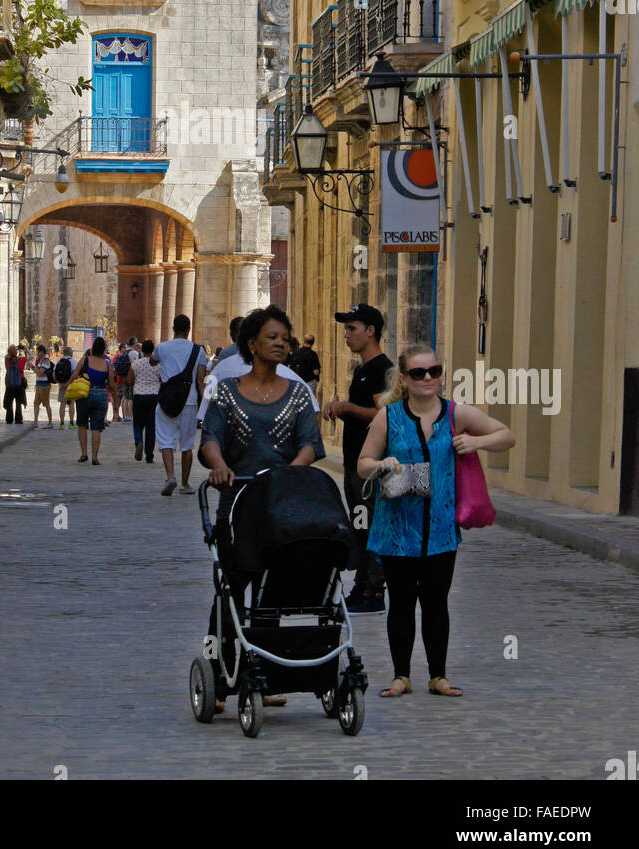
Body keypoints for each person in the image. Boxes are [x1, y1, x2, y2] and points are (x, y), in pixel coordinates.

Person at [358, 343, 515, 699]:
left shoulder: (455, 414)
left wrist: (477, 443)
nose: (428, 378)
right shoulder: (389, 416)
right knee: (399, 603)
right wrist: (383, 465)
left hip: (441, 528)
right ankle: (401, 675)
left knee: (436, 602)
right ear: (404, 378)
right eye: (418, 372)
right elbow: (363, 462)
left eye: (435, 371)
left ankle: (437, 675)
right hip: (397, 527)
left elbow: (507, 435)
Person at [200, 304, 325, 712]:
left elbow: (310, 443)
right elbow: (210, 439)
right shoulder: (226, 391)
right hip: (237, 505)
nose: (280, 343)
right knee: (230, 593)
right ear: (251, 344)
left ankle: (267, 674)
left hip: (283, 507)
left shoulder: (298, 394)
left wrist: (291, 472)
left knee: (271, 596)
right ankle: (220, 677)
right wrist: (219, 466)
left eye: (285, 339)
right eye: (272, 337)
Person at [323, 306, 393, 615]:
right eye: (346, 328)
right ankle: (361, 586)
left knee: (373, 525)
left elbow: (385, 415)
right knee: (360, 526)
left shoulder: (382, 370)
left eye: (352, 328)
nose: (347, 335)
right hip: (355, 463)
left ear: (371, 331)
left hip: (370, 465)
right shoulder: (363, 369)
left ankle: (375, 591)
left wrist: (348, 409)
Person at [152, 314, 207, 497]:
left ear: (173, 328)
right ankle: (185, 483)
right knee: (187, 445)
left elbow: (153, 360)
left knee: (166, 441)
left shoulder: (163, 348)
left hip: (167, 399)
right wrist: (204, 406)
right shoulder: (198, 351)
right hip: (189, 401)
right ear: (189, 329)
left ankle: (170, 477)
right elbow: (200, 379)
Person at [68, 337, 117, 465]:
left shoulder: (85, 360)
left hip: (85, 393)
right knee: (96, 427)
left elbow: (74, 375)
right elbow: (112, 385)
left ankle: (84, 454)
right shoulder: (107, 364)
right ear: (104, 351)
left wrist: (68, 389)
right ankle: (95, 457)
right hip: (101, 394)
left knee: (82, 424)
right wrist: (116, 402)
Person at [128, 339, 160, 462]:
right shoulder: (158, 364)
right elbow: (163, 378)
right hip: (153, 396)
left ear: (142, 350)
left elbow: (129, 381)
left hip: (139, 395)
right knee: (151, 426)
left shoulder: (136, 363)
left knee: (138, 423)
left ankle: (138, 441)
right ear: (153, 350)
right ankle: (149, 455)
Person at [2, 344, 27, 424]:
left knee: (9, 402)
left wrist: (12, 350)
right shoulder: (21, 360)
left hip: (10, 383)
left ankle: (9, 419)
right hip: (19, 383)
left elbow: (7, 355)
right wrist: (25, 349)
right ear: (16, 352)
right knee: (18, 402)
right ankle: (18, 419)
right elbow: (31, 357)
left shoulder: (7, 360)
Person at [32, 344, 55, 428]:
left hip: (44, 386)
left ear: (42, 352)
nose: (37, 353)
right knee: (36, 403)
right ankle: (35, 421)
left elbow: (40, 372)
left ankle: (50, 422)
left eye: (38, 352)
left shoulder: (46, 361)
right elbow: (38, 372)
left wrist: (31, 366)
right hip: (39, 385)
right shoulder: (41, 361)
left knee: (46, 404)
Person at [54, 345, 77, 428]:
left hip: (61, 385)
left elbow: (54, 373)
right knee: (71, 404)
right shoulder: (74, 362)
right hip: (71, 385)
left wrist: (59, 383)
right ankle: (71, 423)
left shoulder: (59, 361)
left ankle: (62, 424)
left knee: (62, 404)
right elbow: (75, 375)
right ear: (71, 353)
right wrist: (68, 384)